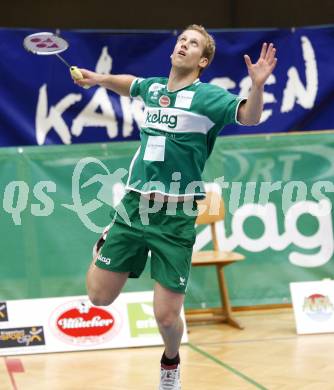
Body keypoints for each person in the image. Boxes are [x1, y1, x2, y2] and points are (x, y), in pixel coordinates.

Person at [73, 24, 277, 390]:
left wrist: (257, 86)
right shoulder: (153, 89)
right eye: (182, 39)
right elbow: (131, 84)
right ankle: (108, 238)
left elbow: (250, 116)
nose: (184, 44)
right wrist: (98, 79)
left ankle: (170, 360)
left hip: (177, 216)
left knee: (167, 319)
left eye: (193, 43)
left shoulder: (208, 98)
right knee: (99, 297)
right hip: (136, 206)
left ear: (203, 61)